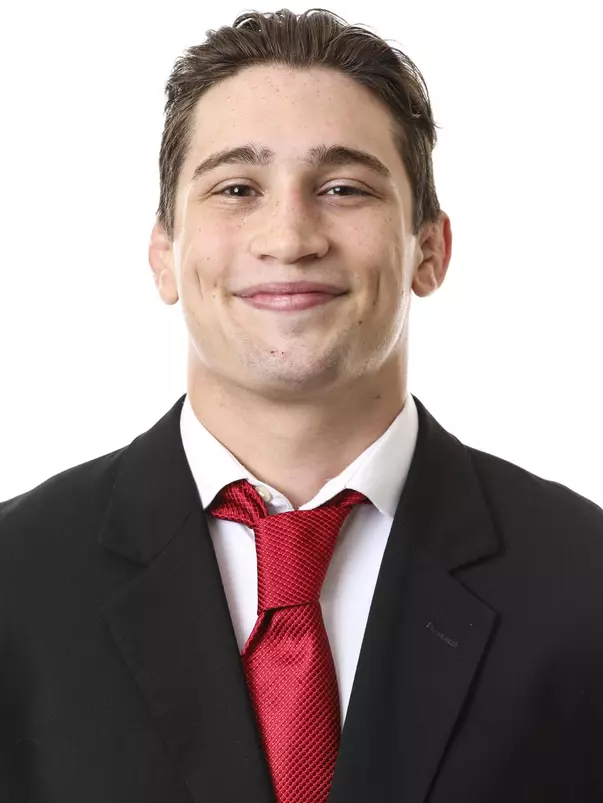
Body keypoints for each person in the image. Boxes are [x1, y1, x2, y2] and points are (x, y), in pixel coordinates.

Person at [1, 7, 602, 803]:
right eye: (237, 187)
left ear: (429, 250)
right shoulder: (16, 580)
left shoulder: (583, 581)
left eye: (343, 187)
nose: (288, 236)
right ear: (164, 256)